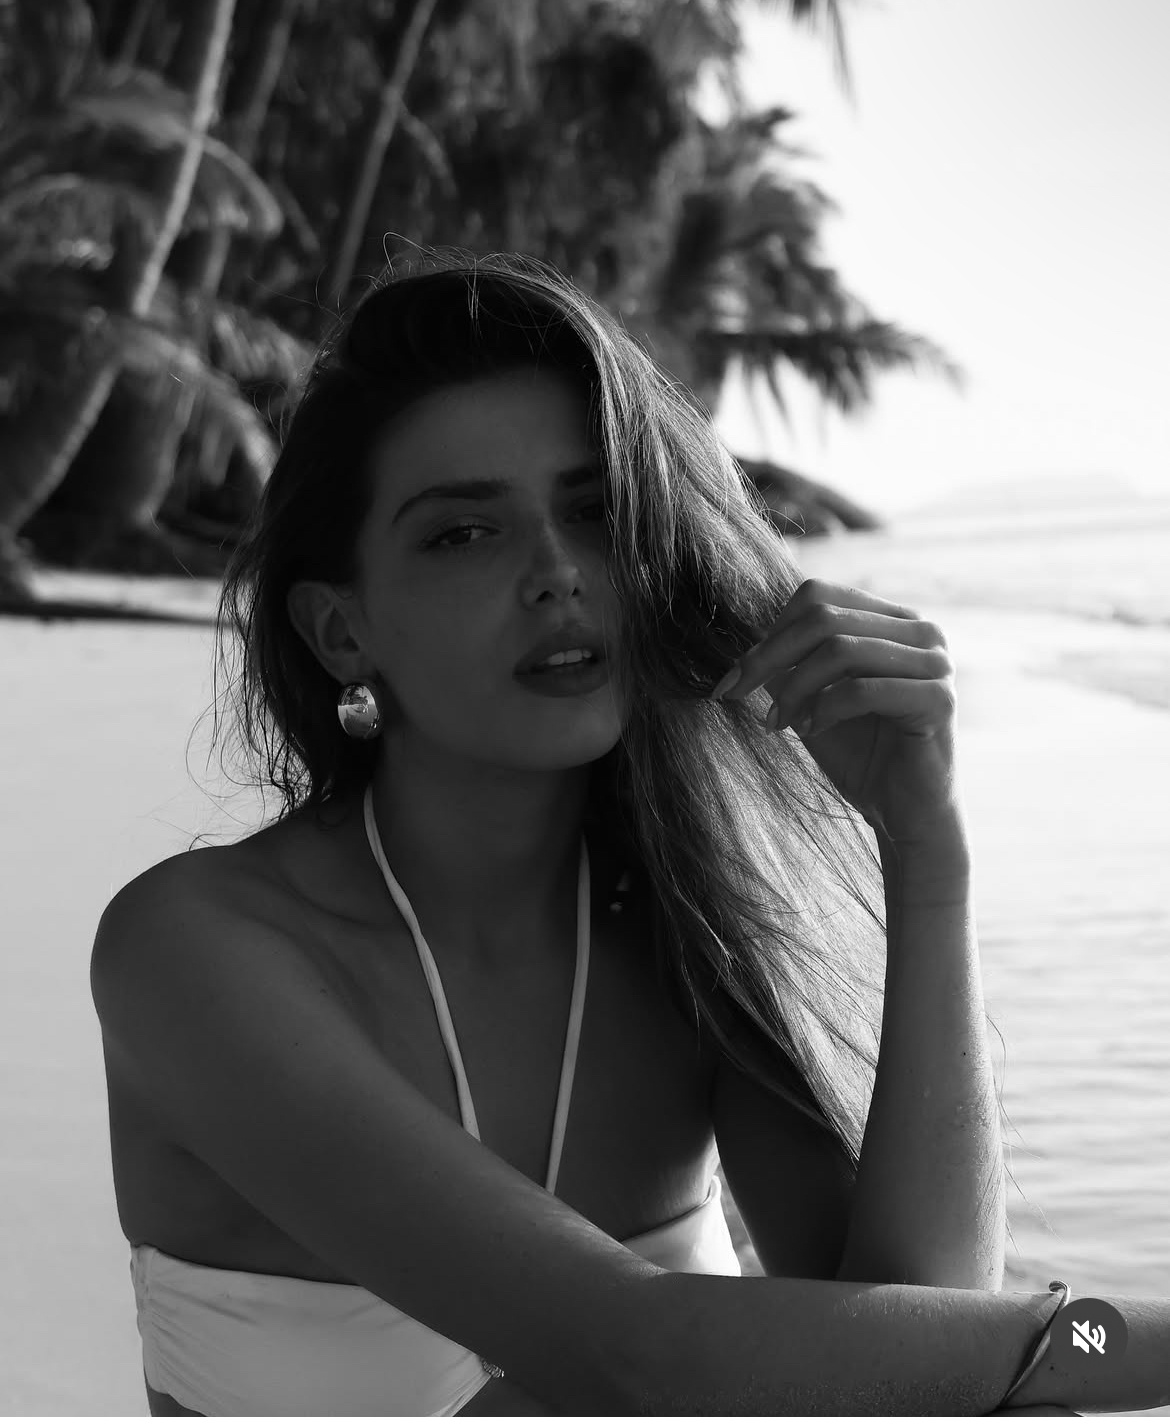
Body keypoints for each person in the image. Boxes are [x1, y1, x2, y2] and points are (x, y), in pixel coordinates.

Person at [89, 250, 1170, 1416]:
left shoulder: (680, 927)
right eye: (464, 533)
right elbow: (637, 1349)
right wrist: (1123, 1348)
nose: (557, 574)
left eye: (594, 511)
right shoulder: (193, 948)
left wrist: (927, 859)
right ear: (340, 630)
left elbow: (924, 1347)